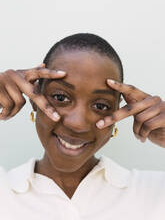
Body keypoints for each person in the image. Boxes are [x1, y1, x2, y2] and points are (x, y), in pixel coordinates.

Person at [0, 33, 165, 220]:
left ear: (119, 114)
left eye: (101, 106)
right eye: (61, 97)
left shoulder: (153, 194)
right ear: (34, 99)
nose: (77, 124)